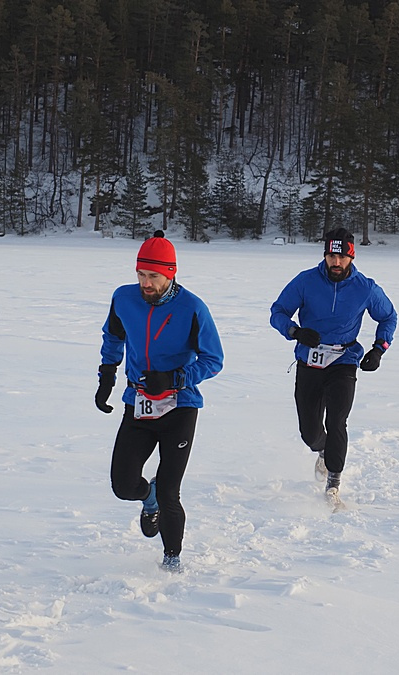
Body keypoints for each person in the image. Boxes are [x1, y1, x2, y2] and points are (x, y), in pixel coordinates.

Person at [96, 230, 224, 573]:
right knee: (123, 486)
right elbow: (114, 336)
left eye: (154, 276)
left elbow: (214, 359)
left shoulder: (193, 308)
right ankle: (145, 498)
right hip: (137, 402)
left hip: (179, 407)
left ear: (171, 274)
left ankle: (171, 560)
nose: (146, 284)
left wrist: (176, 379)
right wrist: (107, 375)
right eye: (141, 275)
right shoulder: (123, 299)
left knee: (170, 490)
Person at [270, 228, 397, 507]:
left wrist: (379, 349)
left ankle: (333, 484)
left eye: (341, 257)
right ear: (325, 255)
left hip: (344, 360)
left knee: (337, 420)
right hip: (309, 360)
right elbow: (277, 312)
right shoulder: (305, 282)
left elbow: (388, 317)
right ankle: (322, 450)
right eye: (331, 255)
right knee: (310, 431)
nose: (335, 262)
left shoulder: (365, 287)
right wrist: (295, 332)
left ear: (351, 257)